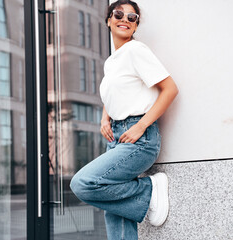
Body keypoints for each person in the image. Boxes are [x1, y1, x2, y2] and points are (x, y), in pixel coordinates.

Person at [70, 0, 179, 239]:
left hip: (139, 138)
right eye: (118, 14)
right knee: (116, 213)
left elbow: (170, 89)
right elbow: (119, 93)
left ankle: (150, 188)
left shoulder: (135, 51)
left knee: (82, 184)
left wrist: (141, 126)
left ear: (136, 26)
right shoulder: (112, 61)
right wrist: (104, 116)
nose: (125, 20)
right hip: (116, 138)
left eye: (132, 18)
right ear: (108, 20)